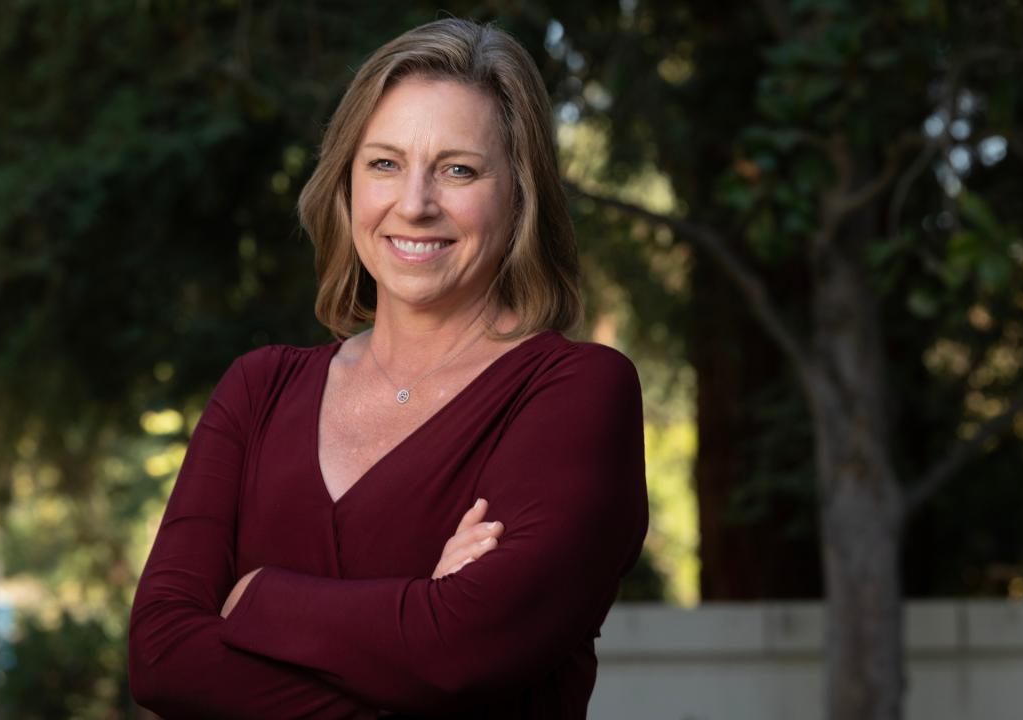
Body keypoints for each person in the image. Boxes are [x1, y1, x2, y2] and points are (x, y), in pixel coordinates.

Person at [127, 17, 648, 719]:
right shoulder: (259, 390)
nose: (415, 204)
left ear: (521, 194)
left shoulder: (574, 393)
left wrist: (256, 597)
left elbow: (464, 653)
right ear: (345, 185)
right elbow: (161, 660)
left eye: (459, 170)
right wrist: (416, 623)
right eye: (384, 163)